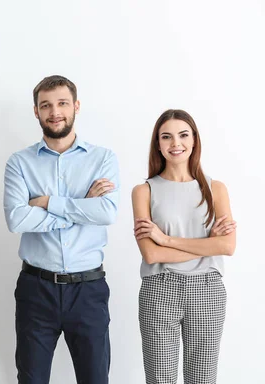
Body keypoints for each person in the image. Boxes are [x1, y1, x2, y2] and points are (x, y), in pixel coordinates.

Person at [3, 75, 119, 384]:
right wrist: (81, 206)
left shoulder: (103, 159)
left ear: (76, 106)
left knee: (95, 379)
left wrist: (47, 203)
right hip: (36, 289)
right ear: (36, 111)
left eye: (62, 103)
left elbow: (106, 211)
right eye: (46, 105)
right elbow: (17, 220)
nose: (55, 112)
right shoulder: (19, 162)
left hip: (88, 290)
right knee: (31, 380)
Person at [131, 109, 236, 384]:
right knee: (159, 379)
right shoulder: (144, 191)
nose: (175, 143)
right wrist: (206, 244)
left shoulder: (216, 189)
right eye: (166, 137)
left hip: (207, 290)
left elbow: (226, 246)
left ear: (194, 140)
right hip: (159, 289)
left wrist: (166, 239)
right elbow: (151, 254)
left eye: (183, 135)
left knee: (202, 379)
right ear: (158, 144)